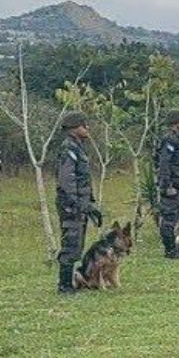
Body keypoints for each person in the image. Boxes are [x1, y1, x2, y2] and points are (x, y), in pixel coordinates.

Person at [55, 113, 100, 293]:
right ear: (75, 128)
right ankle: (64, 285)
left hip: (79, 204)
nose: (87, 129)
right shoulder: (69, 149)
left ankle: (71, 281)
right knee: (71, 244)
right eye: (84, 125)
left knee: (77, 244)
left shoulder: (78, 147)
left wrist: (89, 204)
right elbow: (67, 181)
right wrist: (79, 204)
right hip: (71, 206)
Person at [156, 110, 179, 258]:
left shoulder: (176, 139)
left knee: (175, 216)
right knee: (169, 218)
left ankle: (174, 247)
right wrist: (167, 185)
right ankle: (170, 250)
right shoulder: (169, 140)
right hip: (172, 184)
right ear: (176, 123)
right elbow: (164, 164)